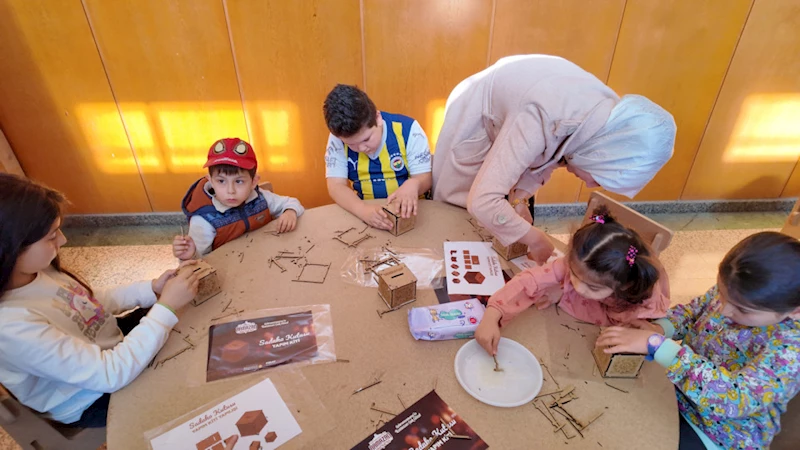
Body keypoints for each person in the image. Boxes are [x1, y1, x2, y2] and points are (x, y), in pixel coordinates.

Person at [432, 55, 676, 264]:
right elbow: (482, 201)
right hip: (480, 109)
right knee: (457, 203)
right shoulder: (544, 114)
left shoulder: (600, 127)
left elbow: (550, 155)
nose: (591, 186)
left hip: (524, 109)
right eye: (599, 178)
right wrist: (535, 238)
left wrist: (519, 199)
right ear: (602, 157)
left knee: (498, 207)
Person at [0, 173, 199, 427]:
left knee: (192, 318)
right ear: (9, 248)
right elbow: (110, 374)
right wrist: (166, 307)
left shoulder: (34, 269)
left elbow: (87, 301)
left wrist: (152, 289)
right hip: (90, 397)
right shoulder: (11, 326)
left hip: (108, 346)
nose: (63, 241)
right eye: (52, 236)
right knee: (188, 390)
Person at [597, 232, 800, 449]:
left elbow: (735, 397)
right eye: (721, 294)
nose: (724, 309)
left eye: (742, 309)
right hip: (679, 393)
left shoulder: (790, 349)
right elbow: (694, 312)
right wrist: (660, 328)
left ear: (795, 311)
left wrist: (659, 346)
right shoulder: (736, 289)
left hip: (719, 433)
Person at [475, 206, 669, 356]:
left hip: (621, 319)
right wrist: (493, 313)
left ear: (623, 285)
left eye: (592, 287)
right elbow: (529, 280)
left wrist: (643, 330)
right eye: (573, 276)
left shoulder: (640, 296)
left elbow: (649, 331)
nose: (577, 286)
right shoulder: (578, 263)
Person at [173, 138, 304, 260]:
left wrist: (290, 212)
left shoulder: (261, 197)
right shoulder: (203, 221)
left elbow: (292, 202)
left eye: (239, 181)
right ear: (210, 181)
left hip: (264, 260)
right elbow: (197, 263)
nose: (231, 191)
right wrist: (190, 255)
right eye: (221, 181)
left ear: (253, 182)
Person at [323, 84, 432, 230]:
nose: (361, 148)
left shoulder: (409, 129)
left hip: (413, 213)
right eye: (352, 144)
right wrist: (362, 210)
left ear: (378, 118)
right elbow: (336, 186)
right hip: (367, 212)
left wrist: (414, 184)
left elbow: (425, 177)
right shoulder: (337, 139)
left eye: (366, 139)